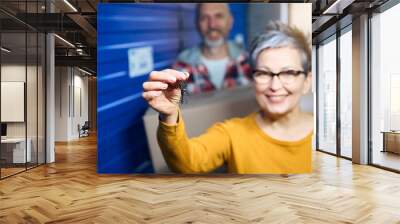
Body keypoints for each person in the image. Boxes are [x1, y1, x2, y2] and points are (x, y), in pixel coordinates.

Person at [142, 21, 313, 174]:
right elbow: (187, 162)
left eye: (289, 72)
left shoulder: (330, 135)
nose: (275, 86)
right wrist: (170, 115)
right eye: (263, 73)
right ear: (252, 79)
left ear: (306, 81)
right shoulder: (232, 133)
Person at [172, 3, 252, 94]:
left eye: (219, 16)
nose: (212, 25)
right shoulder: (181, 68)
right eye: (204, 18)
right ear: (197, 24)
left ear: (230, 21)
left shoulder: (249, 63)